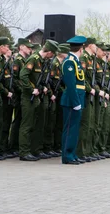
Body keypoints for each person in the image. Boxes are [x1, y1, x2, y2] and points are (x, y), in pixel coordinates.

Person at [18, 39, 59, 161]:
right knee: (27, 125)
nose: (53, 56)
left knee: (37, 125)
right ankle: (24, 152)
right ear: (49, 52)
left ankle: (35, 150)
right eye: (53, 53)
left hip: (37, 97)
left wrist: (42, 87)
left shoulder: (43, 61)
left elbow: (39, 80)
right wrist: (31, 89)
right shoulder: (34, 59)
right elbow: (23, 75)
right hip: (28, 97)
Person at [60, 36, 87, 165]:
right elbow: (71, 85)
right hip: (72, 101)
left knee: (74, 129)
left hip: (77, 99)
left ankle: (72, 153)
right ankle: (67, 155)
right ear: (80, 49)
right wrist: (76, 102)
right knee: (70, 129)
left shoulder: (75, 61)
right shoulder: (69, 62)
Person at [7, 38, 33, 157]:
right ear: (21, 47)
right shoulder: (18, 61)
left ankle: (17, 146)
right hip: (19, 95)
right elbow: (15, 79)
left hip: (23, 93)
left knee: (21, 120)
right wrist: (23, 90)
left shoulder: (25, 60)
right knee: (17, 120)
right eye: (28, 47)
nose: (30, 49)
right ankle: (13, 146)